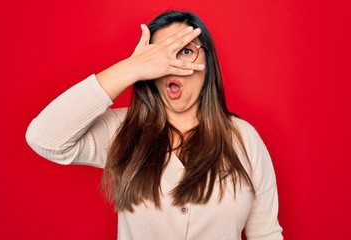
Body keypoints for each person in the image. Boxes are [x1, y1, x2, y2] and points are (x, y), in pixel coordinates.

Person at [26, 10, 283, 239]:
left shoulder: (244, 139)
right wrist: (131, 68)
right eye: (160, 55)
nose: (173, 64)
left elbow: (266, 233)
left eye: (185, 50)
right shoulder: (124, 130)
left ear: (208, 63)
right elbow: (45, 138)